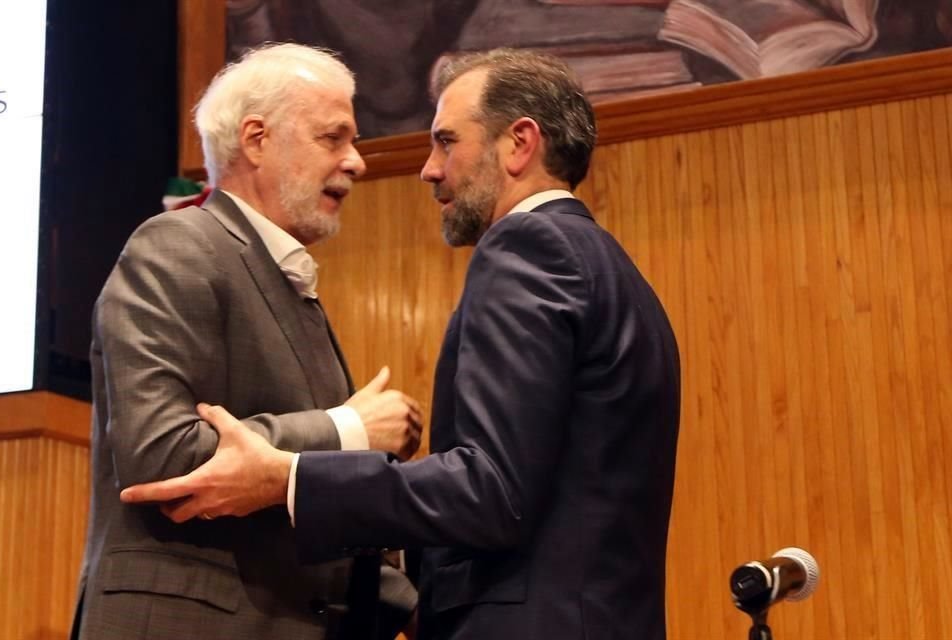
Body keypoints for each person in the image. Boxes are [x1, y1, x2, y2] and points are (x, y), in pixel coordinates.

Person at [122, 48, 681, 640]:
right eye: (331, 137)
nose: (428, 169)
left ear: (519, 143)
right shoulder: (612, 270)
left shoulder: (527, 248)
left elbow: (491, 491)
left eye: (446, 141)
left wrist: (291, 475)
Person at [73, 43, 421, 640]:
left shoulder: (288, 282)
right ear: (257, 139)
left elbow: (304, 512)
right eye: (333, 138)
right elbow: (160, 455)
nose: (357, 162)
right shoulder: (177, 245)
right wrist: (350, 430)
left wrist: (420, 608)